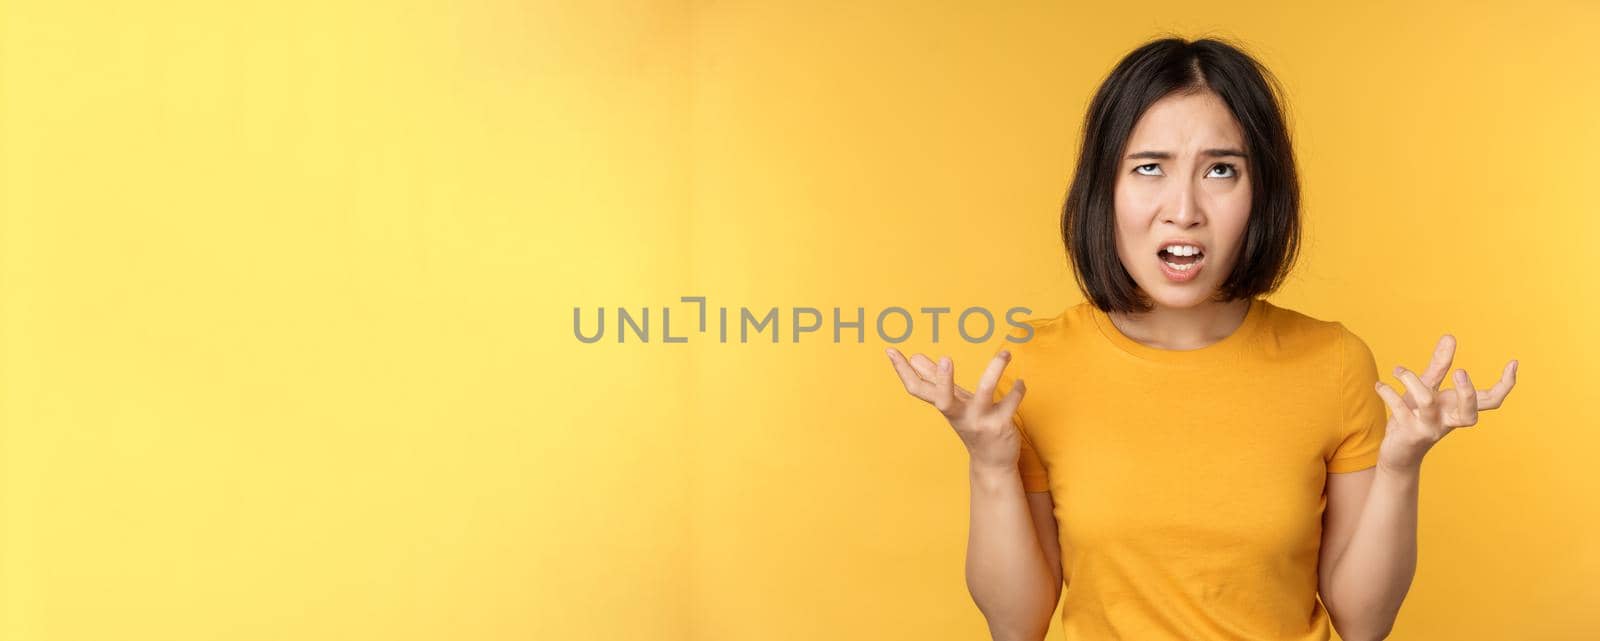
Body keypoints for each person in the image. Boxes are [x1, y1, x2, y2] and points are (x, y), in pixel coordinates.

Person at [885, 36, 1519, 641]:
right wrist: (991, 468)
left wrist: (1400, 467)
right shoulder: (1037, 368)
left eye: (1220, 170)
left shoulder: (1335, 363)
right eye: (1150, 167)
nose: (1183, 208)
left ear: (1260, 193)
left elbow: (1365, 623)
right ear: (1104, 189)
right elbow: (1015, 626)